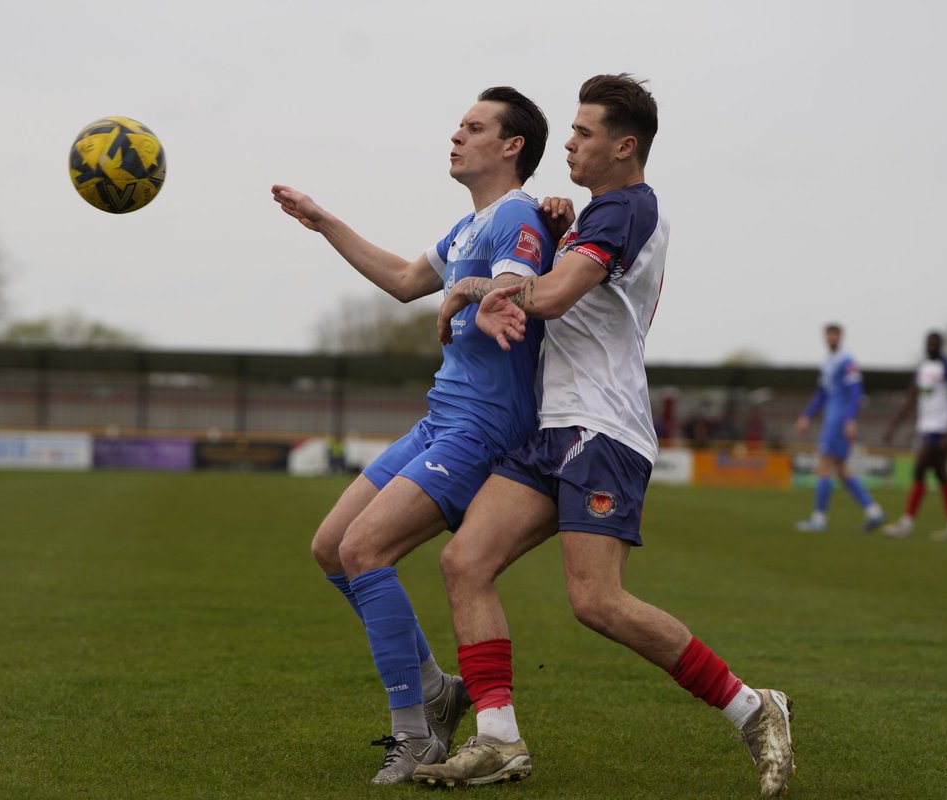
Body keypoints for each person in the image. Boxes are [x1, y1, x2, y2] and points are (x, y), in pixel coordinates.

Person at [411, 74, 796, 798]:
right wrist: (559, 223)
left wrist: (469, 288)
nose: (570, 144)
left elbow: (553, 297)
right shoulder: (598, 214)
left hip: (602, 430)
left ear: (625, 146)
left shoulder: (627, 209)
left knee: (596, 603)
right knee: (465, 561)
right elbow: (570, 275)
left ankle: (754, 706)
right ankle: (497, 739)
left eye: (583, 134)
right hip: (554, 428)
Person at [269, 87, 555, 784]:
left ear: (511, 147)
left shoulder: (518, 215)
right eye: (458, 125)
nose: (456, 136)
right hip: (440, 418)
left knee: (366, 548)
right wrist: (324, 221)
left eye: (474, 127)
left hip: (485, 427)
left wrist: (480, 294)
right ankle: (435, 689)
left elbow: (518, 282)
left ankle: (416, 734)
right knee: (332, 548)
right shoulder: (466, 228)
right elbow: (403, 279)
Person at [792, 323, 886, 533]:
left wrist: (850, 420)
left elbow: (855, 391)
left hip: (839, 419)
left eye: (835, 335)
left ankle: (819, 519)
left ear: (840, 337)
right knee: (842, 471)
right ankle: (874, 512)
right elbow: (822, 393)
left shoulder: (847, 361)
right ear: (824, 337)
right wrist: (806, 416)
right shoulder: (827, 362)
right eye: (828, 335)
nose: (831, 339)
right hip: (832, 417)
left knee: (824, 464)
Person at [882, 331, 947, 540]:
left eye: (934, 344)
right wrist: (894, 425)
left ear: (941, 345)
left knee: (919, 470)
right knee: (940, 475)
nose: (930, 347)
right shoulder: (922, 368)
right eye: (928, 344)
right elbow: (910, 400)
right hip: (926, 428)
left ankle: (907, 524)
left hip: (941, 430)